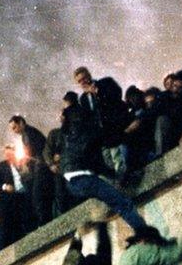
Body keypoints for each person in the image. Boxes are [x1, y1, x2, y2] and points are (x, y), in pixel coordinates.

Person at [62, 69, 149, 233]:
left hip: (115, 128)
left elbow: (116, 97)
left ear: (89, 75)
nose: (83, 82)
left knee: (121, 156)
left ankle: (122, 181)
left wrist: (98, 93)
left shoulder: (105, 83)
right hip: (102, 139)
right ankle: (120, 186)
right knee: (111, 165)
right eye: (79, 81)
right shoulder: (83, 101)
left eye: (84, 78)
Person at [8, 116, 53, 226]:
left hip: (41, 168)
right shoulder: (27, 134)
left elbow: (32, 152)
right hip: (40, 167)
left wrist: (24, 161)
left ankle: (46, 225)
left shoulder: (29, 133)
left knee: (39, 198)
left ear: (21, 123)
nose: (14, 131)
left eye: (15, 127)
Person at [0, 145, 35, 250]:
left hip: (22, 196)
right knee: (6, 226)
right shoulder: (1, 165)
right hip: (8, 200)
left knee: (24, 221)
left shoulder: (21, 163)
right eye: (6, 154)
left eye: (10, 153)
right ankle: (1, 252)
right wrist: (5, 186)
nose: (8, 155)